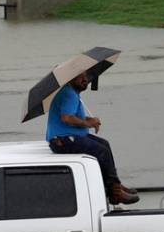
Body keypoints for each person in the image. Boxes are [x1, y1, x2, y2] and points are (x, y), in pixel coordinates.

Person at [46, 72, 139, 205]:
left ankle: (114, 186)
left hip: (68, 137)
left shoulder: (71, 93)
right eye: (81, 77)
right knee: (102, 151)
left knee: (104, 144)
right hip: (63, 140)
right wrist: (88, 123)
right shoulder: (69, 94)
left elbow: (74, 117)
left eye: (87, 76)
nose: (86, 79)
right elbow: (67, 118)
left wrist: (90, 120)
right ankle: (115, 192)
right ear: (70, 78)